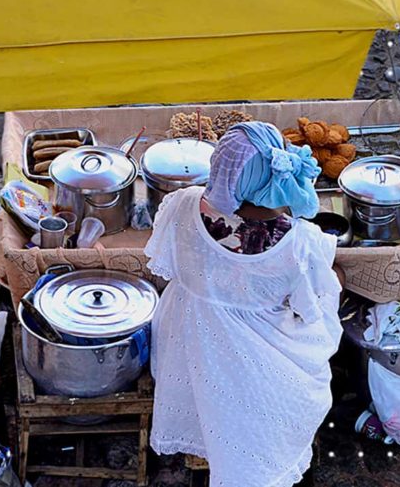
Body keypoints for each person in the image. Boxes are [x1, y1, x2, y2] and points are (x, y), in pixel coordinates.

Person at [145, 122, 342, 487]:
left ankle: (206, 437)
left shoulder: (181, 206)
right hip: (258, 360)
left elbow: (167, 267)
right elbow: (311, 307)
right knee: (313, 347)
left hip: (189, 346)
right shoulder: (301, 243)